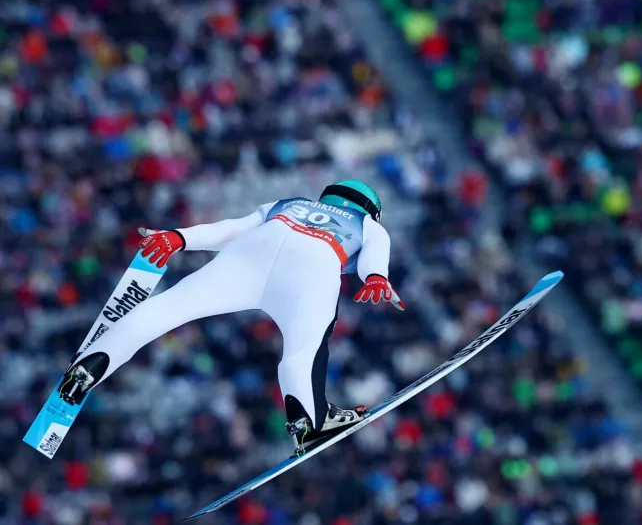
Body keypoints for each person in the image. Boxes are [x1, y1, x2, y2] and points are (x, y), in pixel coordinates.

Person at [58, 180, 405, 452]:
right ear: (372, 210)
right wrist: (376, 277)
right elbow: (376, 250)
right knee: (304, 352)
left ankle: (89, 366)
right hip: (313, 268)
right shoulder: (367, 223)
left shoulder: (289, 204)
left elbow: (230, 229)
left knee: (169, 307)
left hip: (252, 253)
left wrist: (178, 238)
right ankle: (308, 422)